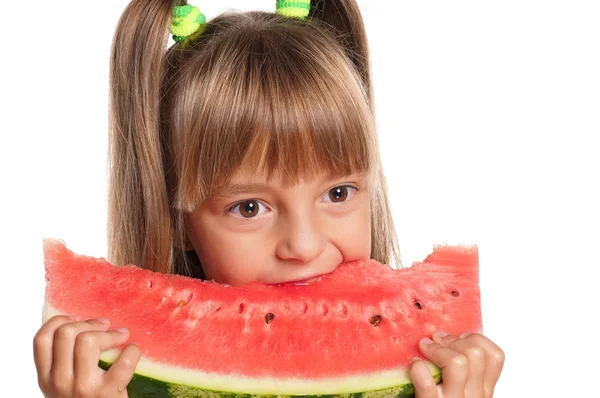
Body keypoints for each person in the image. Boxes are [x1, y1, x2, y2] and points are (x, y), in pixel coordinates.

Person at [33, 0, 505, 396]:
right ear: (177, 219)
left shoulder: (419, 378)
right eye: (249, 207)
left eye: (337, 193)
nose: (302, 246)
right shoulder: (124, 381)